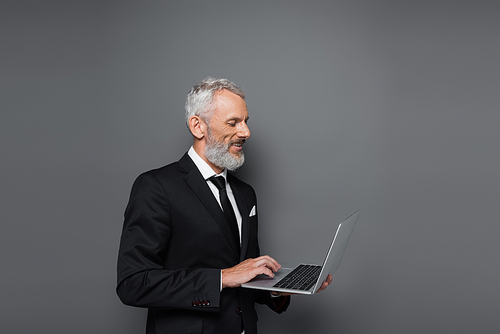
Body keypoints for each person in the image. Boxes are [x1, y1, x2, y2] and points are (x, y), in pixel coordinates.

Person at [116, 77, 332, 334]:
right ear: (198, 126)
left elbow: (245, 273)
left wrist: (276, 288)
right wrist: (222, 277)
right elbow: (133, 283)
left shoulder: (245, 194)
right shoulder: (156, 187)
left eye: (246, 122)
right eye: (233, 123)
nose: (246, 132)